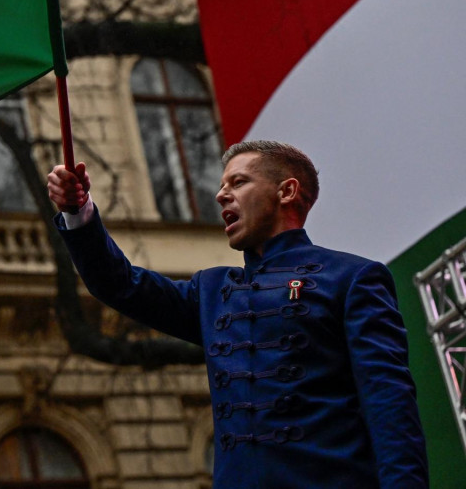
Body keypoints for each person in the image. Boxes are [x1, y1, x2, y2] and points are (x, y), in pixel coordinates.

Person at [47, 140, 427, 488]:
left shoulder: (352, 278)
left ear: (287, 192)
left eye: (238, 182)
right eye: (222, 185)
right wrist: (78, 212)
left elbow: (389, 405)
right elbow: (120, 285)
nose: (220, 195)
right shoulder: (211, 292)